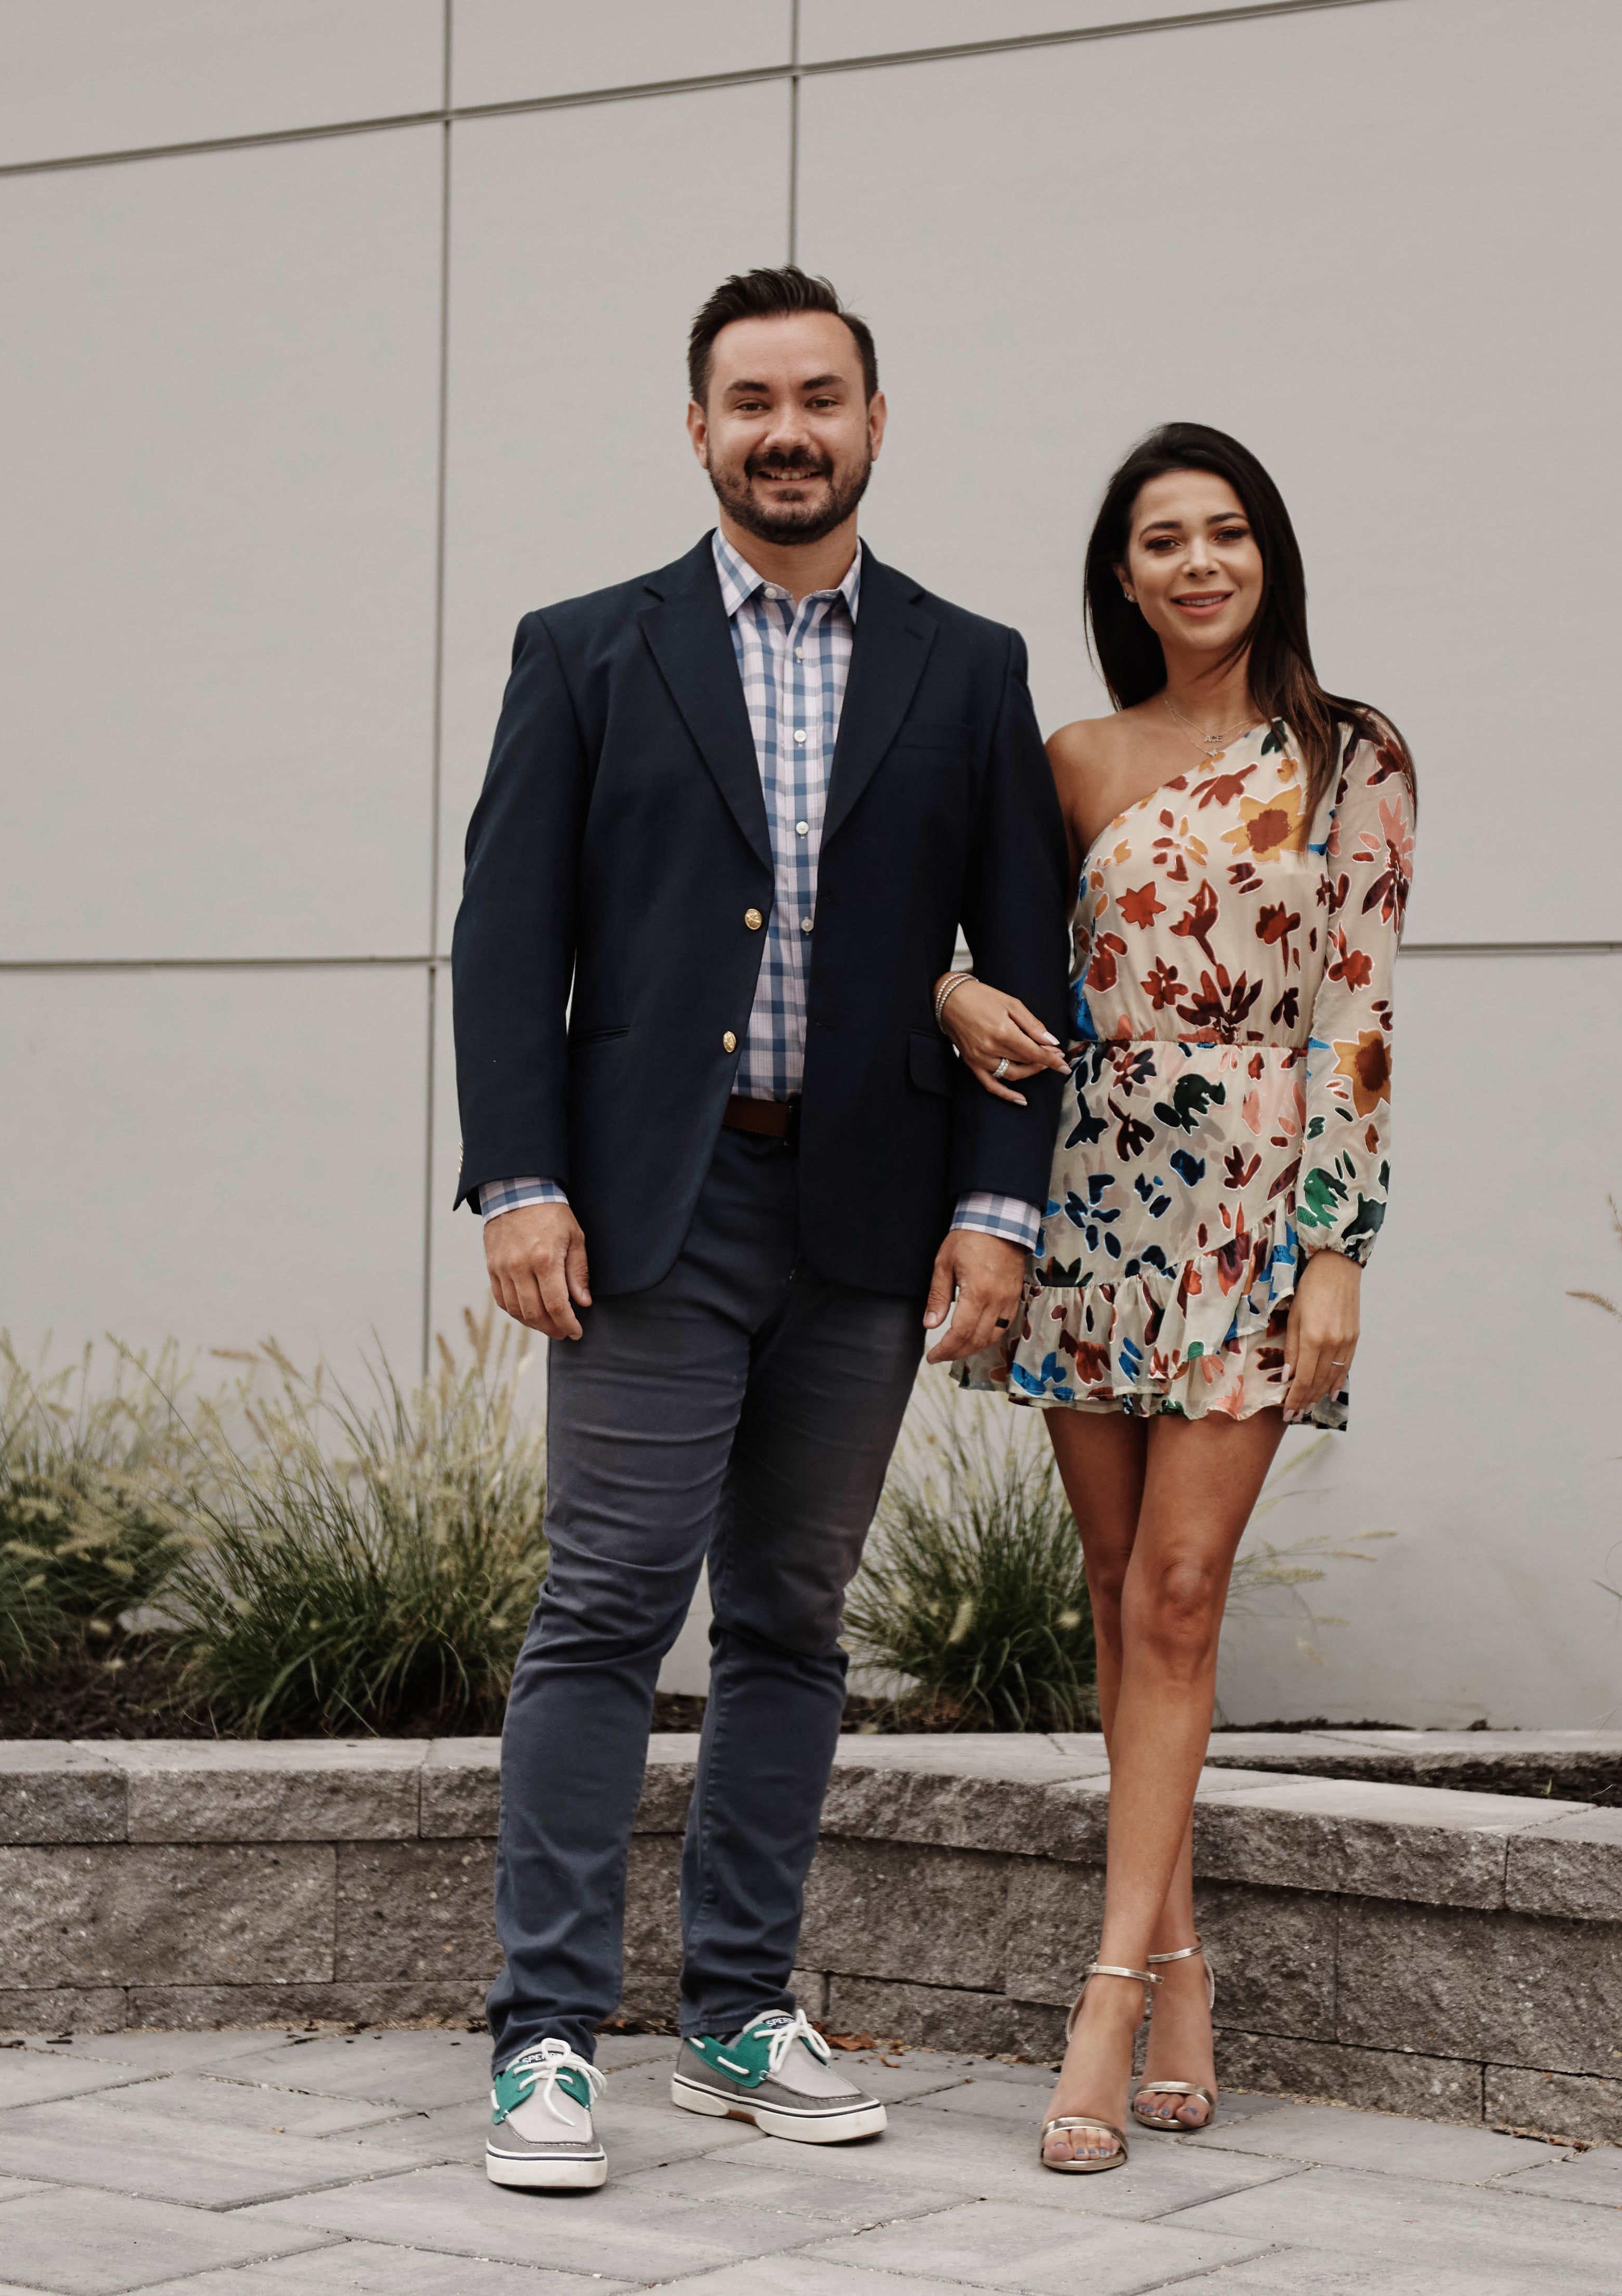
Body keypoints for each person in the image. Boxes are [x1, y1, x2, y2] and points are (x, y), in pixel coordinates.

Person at [449, 266, 1072, 2190]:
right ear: (699, 430)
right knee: (607, 1611)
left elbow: (1021, 953)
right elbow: (505, 934)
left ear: (875, 424)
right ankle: (545, 2038)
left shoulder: (967, 668)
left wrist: (994, 1207)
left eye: (820, 396)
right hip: (654, 1204)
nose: (785, 429)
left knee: (793, 1622)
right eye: (749, 401)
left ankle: (734, 2016)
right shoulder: (588, 649)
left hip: (870, 1211)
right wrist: (518, 1178)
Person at [935, 422, 1414, 2172]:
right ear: (1121, 575)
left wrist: (1340, 1247)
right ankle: (1186, 1961)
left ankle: (1108, 1995)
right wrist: (944, 997)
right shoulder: (1071, 758)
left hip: (1256, 1209)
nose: (1197, 563)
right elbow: (968, 944)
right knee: (1120, 1593)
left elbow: (1355, 1011)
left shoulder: (1350, 755)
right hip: (1091, 1199)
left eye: (1225, 533)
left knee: (1186, 1591)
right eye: (1162, 540)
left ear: (1266, 554)